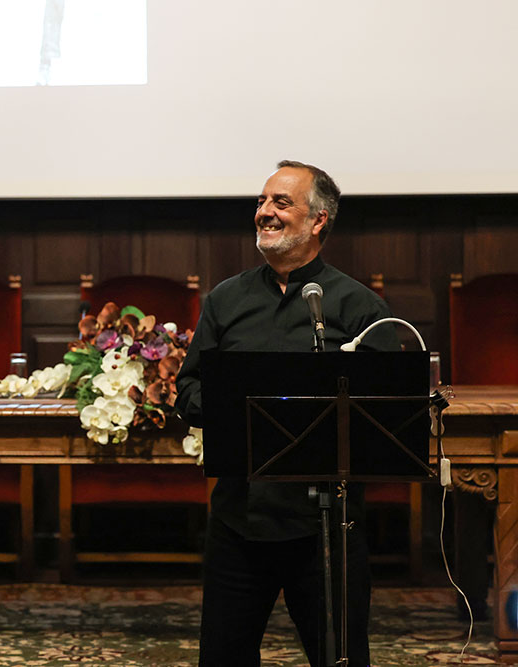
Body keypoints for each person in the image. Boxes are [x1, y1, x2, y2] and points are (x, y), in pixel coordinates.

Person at [175, 160, 400, 666]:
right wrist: (229, 408)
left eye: (281, 202)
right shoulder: (226, 299)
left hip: (326, 526)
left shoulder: (361, 307)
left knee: (341, 657)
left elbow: (387, 413)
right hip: (238, 518)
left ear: (318, 221)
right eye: (261, 201)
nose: (265, 212)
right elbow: (186, 389)